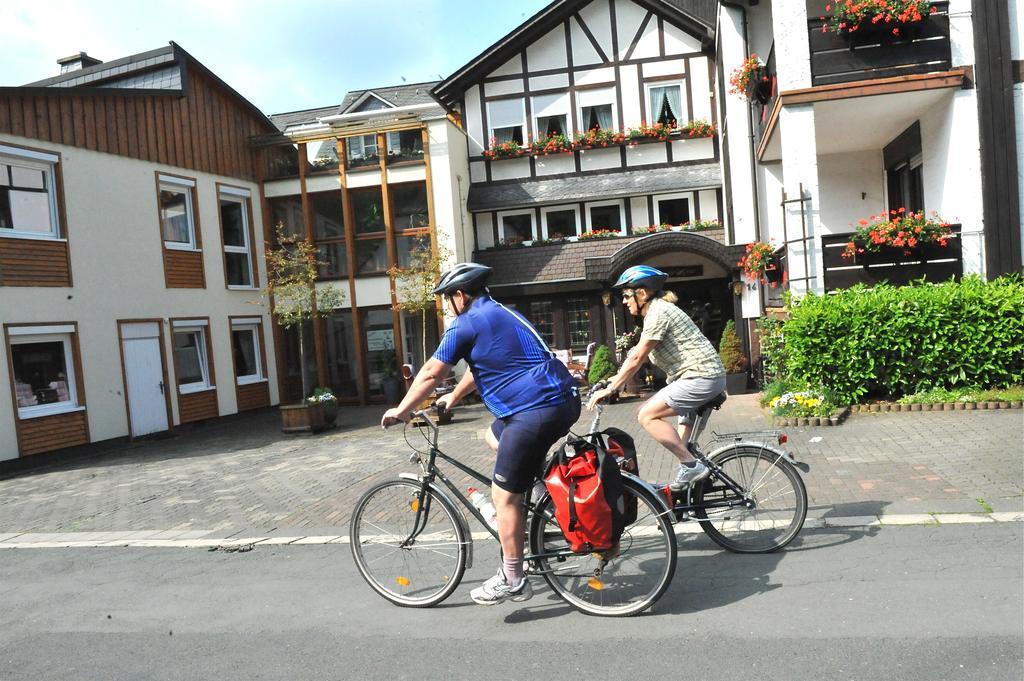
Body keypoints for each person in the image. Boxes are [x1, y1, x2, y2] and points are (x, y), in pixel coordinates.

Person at [381, 262, 580, 606]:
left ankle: (513, 577)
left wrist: (402, 410)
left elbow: (430, 372)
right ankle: (538, 499)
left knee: (504, 497)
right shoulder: (503, 313)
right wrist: (453, 397)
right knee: (493, 436)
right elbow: (479, 367)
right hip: (562, 400)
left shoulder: (467, 322)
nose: (448, 306)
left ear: (461, 295)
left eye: (448, 299)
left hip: (533, 410)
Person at [587, 265, 726, 490]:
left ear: (642, 294)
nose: (624, 301)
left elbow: (637, 358)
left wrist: (611, 389)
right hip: (699, 378)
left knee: (646, 415)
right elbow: (635, 355)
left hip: (700, 377)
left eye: (626, 295)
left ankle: (693, 467)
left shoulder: (659, 312)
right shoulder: (657, 312)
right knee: (682, 447)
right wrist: (612, 380)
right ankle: (692, 486)